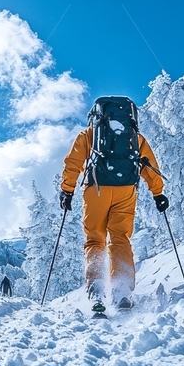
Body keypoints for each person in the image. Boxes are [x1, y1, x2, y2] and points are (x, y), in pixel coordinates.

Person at [59, 96, 168, 312]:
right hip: (126, 190)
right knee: (120, 239)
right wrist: (158, 193)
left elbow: (73, 164)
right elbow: (149, 166)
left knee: (95, 239)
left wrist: (67, 191)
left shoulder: (88, 135)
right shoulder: (134, 137)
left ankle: (97, 293)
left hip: (96, 189)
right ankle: (122, 292)